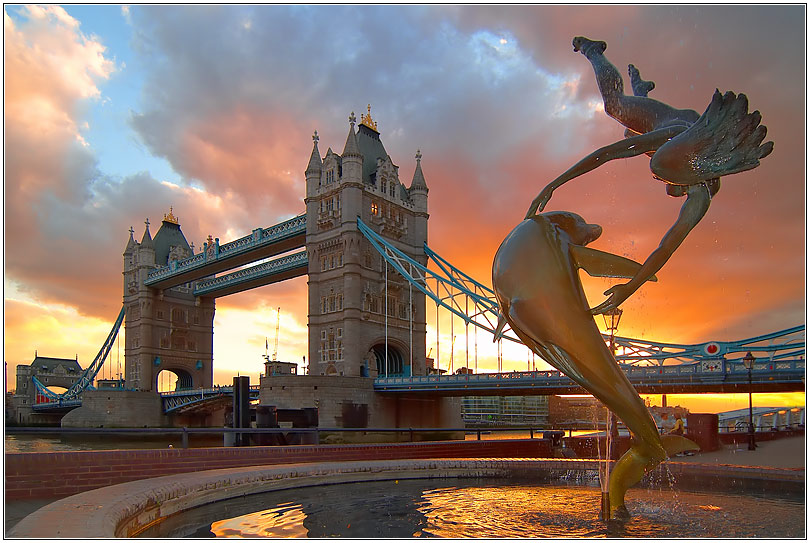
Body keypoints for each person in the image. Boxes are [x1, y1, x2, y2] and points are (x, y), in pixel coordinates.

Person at [526, 37, 773, 314]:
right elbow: (607, 153)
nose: (663, 184)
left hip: (679, 140)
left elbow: (666, 247)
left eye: (664, 180)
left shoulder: (700, 196)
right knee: (615, 107)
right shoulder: (672, 136)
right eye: (662, 177)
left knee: (630, 132)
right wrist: (553, 185)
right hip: (667, 120)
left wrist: (630, 288)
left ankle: (641, 93)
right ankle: (594, 51)